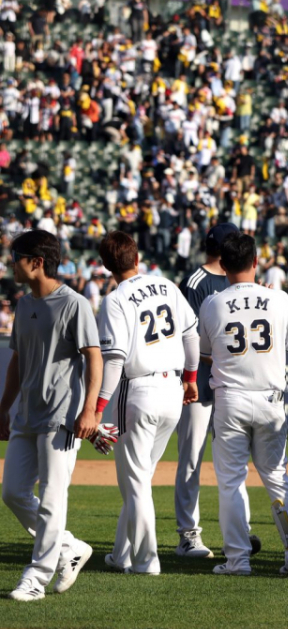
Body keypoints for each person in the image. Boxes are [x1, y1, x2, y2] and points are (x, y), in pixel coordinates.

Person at [199, 232, 288, 576]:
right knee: (277, 478)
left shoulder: (212, 303)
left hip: (230, 400)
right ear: (256, 261)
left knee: (231, 482)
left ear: (222, 264)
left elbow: (204, 353)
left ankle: (238, 560)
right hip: (270, 399)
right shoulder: (279, 299)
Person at [0, 229, 101, 601]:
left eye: (16, 258)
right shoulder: (24, 305)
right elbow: (17, 360)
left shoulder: (75, 304)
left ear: (37, 262)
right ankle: (69, 547)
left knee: (52, 499)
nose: (12, 264)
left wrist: (90, 409)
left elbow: (94, 357)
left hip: (61, 415)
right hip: (26, 414)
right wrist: (4, 407)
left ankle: (36, 578)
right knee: (12, 493)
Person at [96, 231, 199, 575]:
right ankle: (121, 554)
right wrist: (191, 378)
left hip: (137, 390)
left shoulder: (115, 299)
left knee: (136, 481)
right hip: (172, 389)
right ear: (136, 258)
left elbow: (114, 359)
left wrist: (97, 409)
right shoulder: (166, 285)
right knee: (139, 478)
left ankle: (145, 561)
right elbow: (191, 333)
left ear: (107, 265)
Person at [175, 222, 258, 559]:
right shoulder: (196, 283)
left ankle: (240, 532)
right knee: (191, 460)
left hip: (231, 385)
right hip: (199, 385)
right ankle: (188, 534)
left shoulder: (236, 279)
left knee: (234, 462)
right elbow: (187, 339)